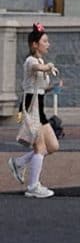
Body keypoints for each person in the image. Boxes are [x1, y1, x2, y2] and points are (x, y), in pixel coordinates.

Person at [8, 22, 60, 198]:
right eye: (45, 41)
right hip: (31, 107)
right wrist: (48, 67)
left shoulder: (41, 61)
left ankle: (19, 162)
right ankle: (33, 186)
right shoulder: (31, 61)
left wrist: (54, 87)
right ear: (35, 45)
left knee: (53, 146)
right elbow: (36, 68)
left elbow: (41, 87)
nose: (48, 44)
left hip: (40, 107)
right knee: (40, 148)